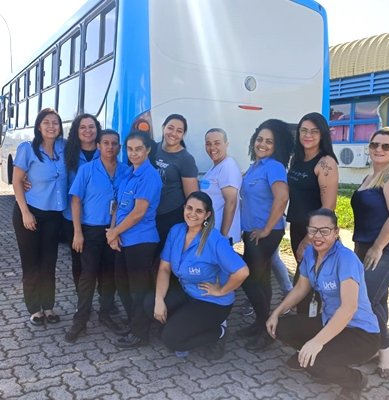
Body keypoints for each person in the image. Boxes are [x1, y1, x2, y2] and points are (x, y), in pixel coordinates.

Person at [267, 208, 380, 400]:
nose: (317, 236)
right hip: (329, 322)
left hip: (361, 332)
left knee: (317, 363)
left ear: (336, 232)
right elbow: (301, 288)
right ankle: (313, 356)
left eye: (325, 231)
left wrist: (316, 342)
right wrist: (276, 313)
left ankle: (355, 380)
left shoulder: (346, 259)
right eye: (312, 230)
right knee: (281, 327)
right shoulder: (311, 252)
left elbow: (349, 308)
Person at [146, 192, 249, 359]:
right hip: (188, 292)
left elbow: (242, 272)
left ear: (207, 214)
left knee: (171, 339)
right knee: (150, 303)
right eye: (189, 208)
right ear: (184, 208)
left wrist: (222, 290)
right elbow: (164, 268)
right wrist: (159, 301)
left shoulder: (215, 240)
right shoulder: (176, 231)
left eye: (199, 211)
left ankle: (218, 331)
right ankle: (181, 328)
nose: (192, 214)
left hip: (211, 301)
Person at [351, 127, 389, 378]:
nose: (378, 149)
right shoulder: (369, 178)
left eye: (385, 146)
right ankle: (376, 346)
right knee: (378, 299)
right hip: (364, 245)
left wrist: (377, 247)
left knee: (365, 298)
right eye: (374, 145)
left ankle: (385, 352)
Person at [64, 129, 130, 342]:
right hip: (91, 230)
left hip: (115, 231)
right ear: (99, 146)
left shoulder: (126, 171)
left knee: (109, 273)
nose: (110, 147)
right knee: (88, 275)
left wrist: (115, 231)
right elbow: (75, 200)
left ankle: (106, 312)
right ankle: (80, 318)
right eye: (106, 143)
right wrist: (77, 232)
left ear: (119, 147)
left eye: (114, 143)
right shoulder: (87, 170)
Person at [238, 119, 293, 350]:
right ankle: (260, 324)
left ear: (276, 145)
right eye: (260, 139)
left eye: (269, 141)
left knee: (250, 279)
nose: (263, 144)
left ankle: (267, 329)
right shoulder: (256, 166)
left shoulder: (274, 166)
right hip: (252, 232)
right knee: (260, 279)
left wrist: (267, 229)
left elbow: (282, 198)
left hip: (265, 234)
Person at [106, 130, 162, 348]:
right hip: (122, 238)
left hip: (141, 241)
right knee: (123, 284)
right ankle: (135, 323)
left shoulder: (149, 176)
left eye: (139, 149)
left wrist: (115, 232)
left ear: (147, 149)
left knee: (138, 288)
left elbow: (139, 212)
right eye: (130, 149)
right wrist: (112, 232)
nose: (134, 153)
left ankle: (140, 333)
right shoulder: (129, 173)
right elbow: (117, 206)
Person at [11, 108, 67, 326]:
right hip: (30, 213)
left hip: (54, 215)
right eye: (46, 122)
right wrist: (25, 212)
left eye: (55, 122)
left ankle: (49, 306)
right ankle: (34, 309)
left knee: (49, 263)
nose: (51, 126)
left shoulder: (63, 148)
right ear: (38, 126)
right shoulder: (27, 149)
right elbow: (16, 181)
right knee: (31, 264)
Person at [286, 112, 339, 314]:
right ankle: (307, 328)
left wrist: (308, 240)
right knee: (306, 280)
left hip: (316, 233)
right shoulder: (297, 160)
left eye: (314, 131)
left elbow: (328, 208)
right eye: (304, 130)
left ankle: (310, 333)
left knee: (306, 283)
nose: (308, 135)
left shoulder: (325, 163)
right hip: (297, 227)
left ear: (322, 134)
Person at [62, 113, 101, 292]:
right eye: (83, 127)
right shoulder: (68, 153)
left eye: (91, 127)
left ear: (97, 129)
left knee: (102, 263)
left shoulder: (106, 151)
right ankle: (82, 299)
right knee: (79, 261)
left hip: (100, 218)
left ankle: (105, 302)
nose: (87, 131)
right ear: (76, 131)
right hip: (73, 218)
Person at [154, 114, 199, 249]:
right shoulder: (151, 149)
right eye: (170, 128)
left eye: (179, 131)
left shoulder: (186, 159)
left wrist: (194, 226)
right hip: (148, 215)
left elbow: (192, 197)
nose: (173, 133)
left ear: (183, 134)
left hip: (170, 216)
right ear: (163, 128)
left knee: (165, 259)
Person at [200, 128, 242, 245]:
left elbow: (231, 202)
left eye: (217, 143)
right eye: (208, 144)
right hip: (211, 231)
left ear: (226, 144)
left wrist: (223, 236)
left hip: (219, 233)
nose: (212, 148)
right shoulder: (215, 167)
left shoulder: (228, 166)